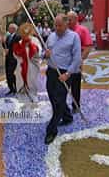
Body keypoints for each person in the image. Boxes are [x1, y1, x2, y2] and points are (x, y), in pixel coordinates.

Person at [44, 15, 81, 145]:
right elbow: (46, 54)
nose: (57, 28)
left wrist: (68, 73)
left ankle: (51, 130)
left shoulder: (74, 37)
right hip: (51, 72)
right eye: (55, 25)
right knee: (53, 98)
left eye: (60, 25)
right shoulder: (51, 36)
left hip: (64, 73)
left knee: (59, 101)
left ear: (67, 24)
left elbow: (77, 58)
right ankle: (67, 116)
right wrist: (46, 55)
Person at [67, 11, 93, 113]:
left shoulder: (83, 30)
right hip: (64, 61)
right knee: (63, 86)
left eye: (70, 19)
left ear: (76, 19)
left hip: (76, 62)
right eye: (67, 19)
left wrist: (80, 60)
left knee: (75, 86)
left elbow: (88, 47)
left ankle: (75, 106)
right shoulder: (66, 30)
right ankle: (62, 107)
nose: (68, 21)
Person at [13, 23, 42, 102]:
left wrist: (31, 46)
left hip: (32, 67)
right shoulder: (19, 42)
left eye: (26, 33)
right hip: (21, 67)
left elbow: (39, 53)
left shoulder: (35, 41)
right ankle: (24, 100)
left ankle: (33, 98)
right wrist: (20, 50)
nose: (24, 35)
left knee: (32, 83)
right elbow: (15, 55)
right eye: (23, 34)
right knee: (21, 84)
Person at [2, 23, 20, 95]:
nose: (8, 29)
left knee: (12, 74)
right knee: (8, 74)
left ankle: (16, 88)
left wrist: (9, 50)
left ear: (13, 29)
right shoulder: (8, 36)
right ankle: (11, 88)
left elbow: (18, 47)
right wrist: (3, 42)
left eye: (9, 28)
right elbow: (5, 46)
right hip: (8, 58)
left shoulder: (18, 37)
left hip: (14, 58)